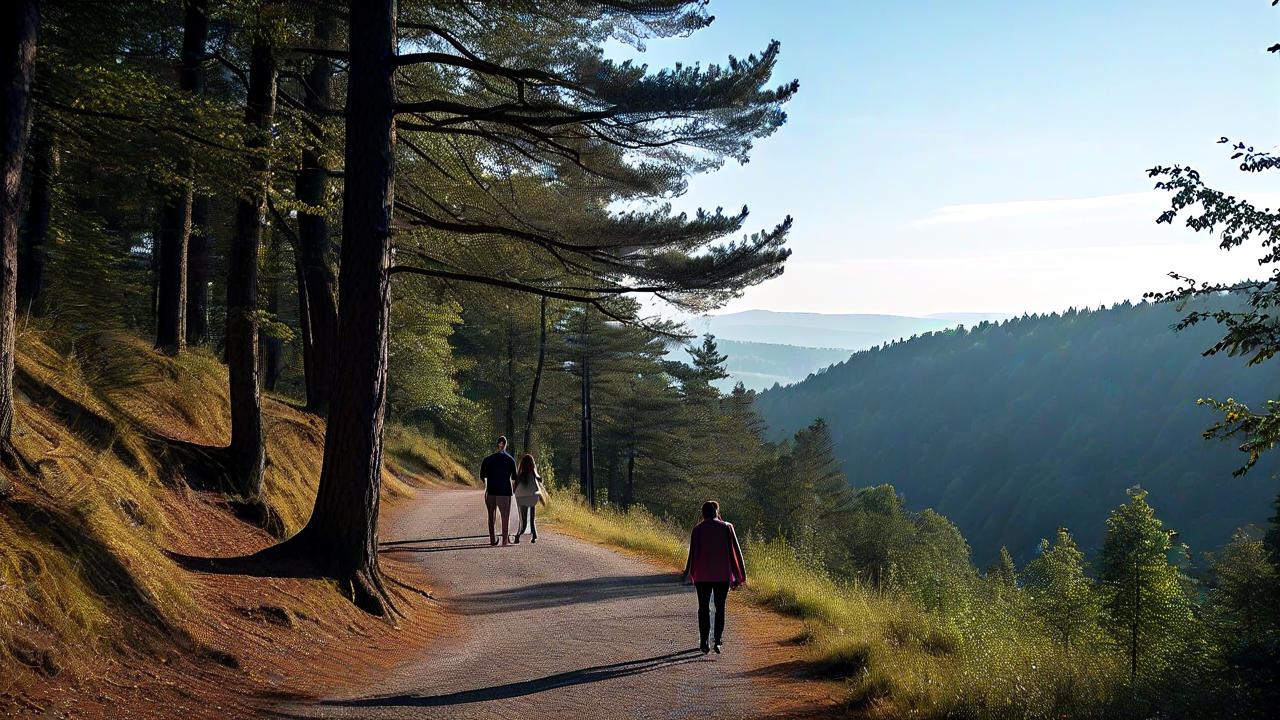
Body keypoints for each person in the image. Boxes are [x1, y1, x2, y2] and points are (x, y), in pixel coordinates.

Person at [681, 500, 747, 655]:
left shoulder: (697, 529)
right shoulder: (727, 527)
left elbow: (693, 554)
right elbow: (736, 552)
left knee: (703, 608)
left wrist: (689, 573)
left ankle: (704, 642)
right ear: (717, 511)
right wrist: (740, 575)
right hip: (722, 575)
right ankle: (717, 640)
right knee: (720, 607)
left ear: (703, 513)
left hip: (702, 576)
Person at [479, 436, 517, 546]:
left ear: (497, 444)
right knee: (505, 516)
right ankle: (504, 541)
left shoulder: (487, 460)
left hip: (491, 491)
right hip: (504, 491)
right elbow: (515, 477)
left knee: (491, 516)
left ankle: (492, 540)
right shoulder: (510, 460)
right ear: (505, 445)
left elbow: (482, 476)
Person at [512, 453, 545, 544]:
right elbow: (539, 479)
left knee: (523, 520)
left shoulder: (521, 474)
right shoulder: (533, 473)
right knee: (532, 519)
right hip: (532, 497)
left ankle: (518, 535)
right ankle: (534, 536)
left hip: (521, 497)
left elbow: (515, 487)